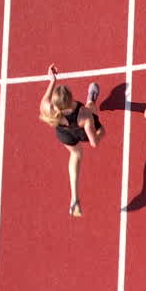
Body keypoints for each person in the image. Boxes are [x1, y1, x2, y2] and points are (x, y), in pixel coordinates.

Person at [40, 64, 103, 217]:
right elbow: (94, 142)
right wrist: (101, 132)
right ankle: (91, 99)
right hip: (81, 129)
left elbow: (45, 100)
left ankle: (75, 197)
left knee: (75, 155)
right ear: (71, 99)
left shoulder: (48, 108)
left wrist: (52, 81)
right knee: (91, 108)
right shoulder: (83, 114)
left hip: (64, 134)